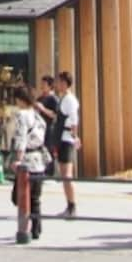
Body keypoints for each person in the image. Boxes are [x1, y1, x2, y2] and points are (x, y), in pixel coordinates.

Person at [8, 84, 48, 241]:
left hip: (27, 161)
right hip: (39, 160)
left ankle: (24, 230)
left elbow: (21, 138)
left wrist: (18, 159)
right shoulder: (38, 115)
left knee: (19, 196)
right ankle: (36, 229)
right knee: (35, 198)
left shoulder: (21, 115)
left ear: (21, 100)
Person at [54, 70, 79, 218]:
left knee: (67, 175)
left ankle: (72, 206)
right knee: (64, 174)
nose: (57, 84)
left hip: (66, 138)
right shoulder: (63, 98)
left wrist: (75, 136)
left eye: (59, 81)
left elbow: (74, 120)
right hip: (63, 138)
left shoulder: (69, 100)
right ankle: (69, 205)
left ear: (64, 83)